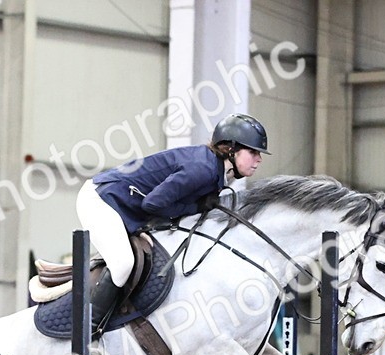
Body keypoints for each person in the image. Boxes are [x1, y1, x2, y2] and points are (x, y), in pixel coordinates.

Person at [76, 112, 269, 333]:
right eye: (253, 152)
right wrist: (195, 207)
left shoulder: (213, 171)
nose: (259, 159)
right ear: (231, 149)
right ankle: (87, 331)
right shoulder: (203, 169)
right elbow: (152, 204)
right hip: (101, 200)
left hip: (125, 206)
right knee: (122, 265)